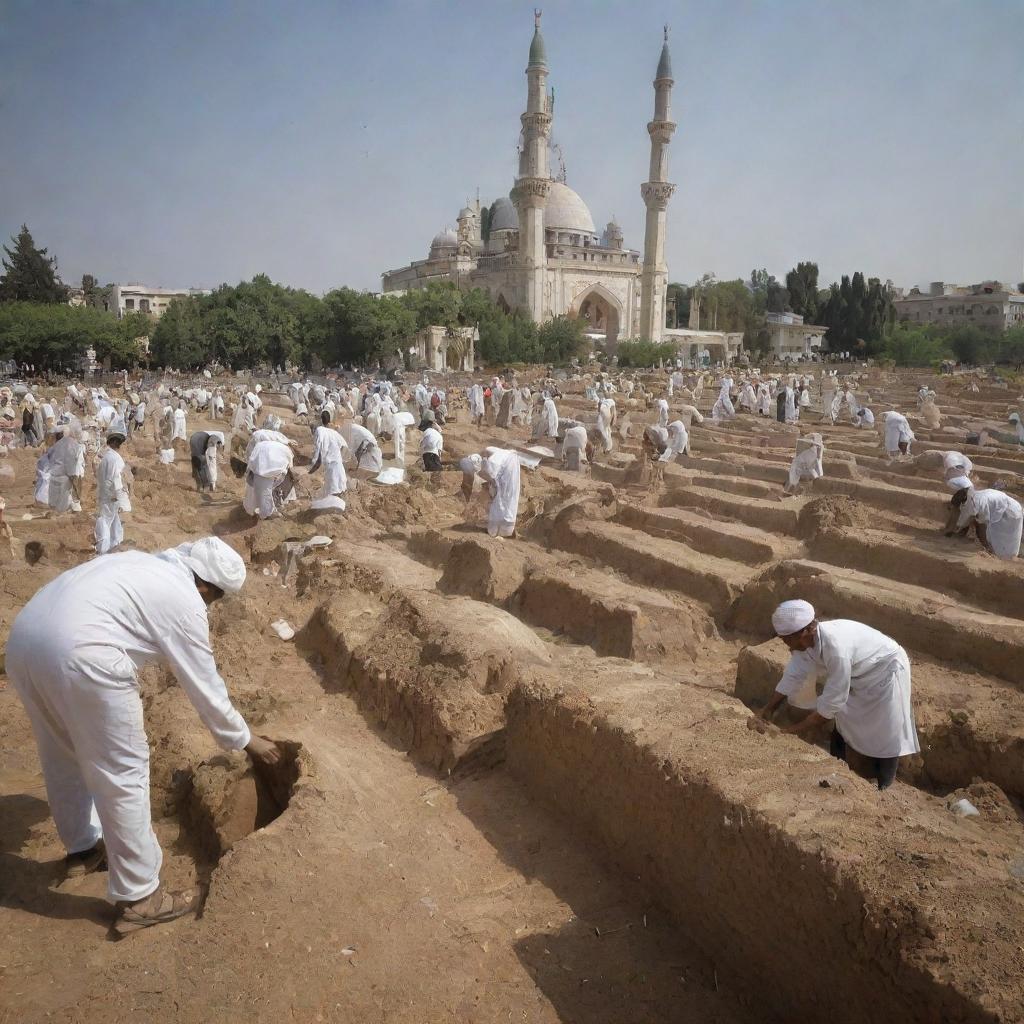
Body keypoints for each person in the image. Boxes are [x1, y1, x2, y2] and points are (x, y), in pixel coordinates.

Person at [6, 536, 281, 934]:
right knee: (123, 771)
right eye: (214, 598)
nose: (210, 605)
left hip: (25, 643)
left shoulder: (142, 565)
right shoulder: (185, 601)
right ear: (206, 587)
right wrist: (245, 739)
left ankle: (82, 849)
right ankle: (141, 897)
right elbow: (204, 686)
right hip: (83, 654)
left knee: (61, 754)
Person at [756, 600, 919, 790]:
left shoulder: (836, 648)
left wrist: (789, 732)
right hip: (860, 673)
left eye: (786, 640)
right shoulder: (806, 643)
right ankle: (837, 764)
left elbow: (830, 706)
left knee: (886, 729)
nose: (786, 645)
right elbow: (793, 674)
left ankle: (885, 784)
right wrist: (768, 710)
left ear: (804, 632)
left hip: (886, 671)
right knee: (844, 717)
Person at [948, 486, 1023, 559]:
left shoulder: (975, 503)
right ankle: (998, 552)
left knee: (1007, 538)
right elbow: (969, 519)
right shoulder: (973, 497)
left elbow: (980, 525)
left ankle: (1004, 557)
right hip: (1002, 510)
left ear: (962, 502)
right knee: (995, 535)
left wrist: (985, 546)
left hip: (1010, 513)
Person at [95, 424, 129, 555]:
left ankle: (116, 545)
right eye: (119, 442)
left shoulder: (107, 457)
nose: (120, 444)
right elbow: (117, 479)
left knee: (115, 521)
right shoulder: (115, 458)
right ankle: (103, 550)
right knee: (106, 520)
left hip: (105, 493)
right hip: (112, 495)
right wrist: (120, 497)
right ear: (114, 442)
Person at [479, 446, 521, 539]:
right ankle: (506, 531)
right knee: (508, 505)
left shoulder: (494, 459)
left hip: (504, 485)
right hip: (509, 482)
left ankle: (496, 532)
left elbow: (490, 474)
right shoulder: (506, 454)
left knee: (499, 505)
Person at [308, 411, 348, 497]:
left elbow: (319, 449)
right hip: (339, 465)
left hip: (331, 466)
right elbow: (344, 445)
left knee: (332, 491)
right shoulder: (334, 432)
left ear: (321, 420)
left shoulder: (320, 430)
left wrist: (313, 468)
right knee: (339, 490)